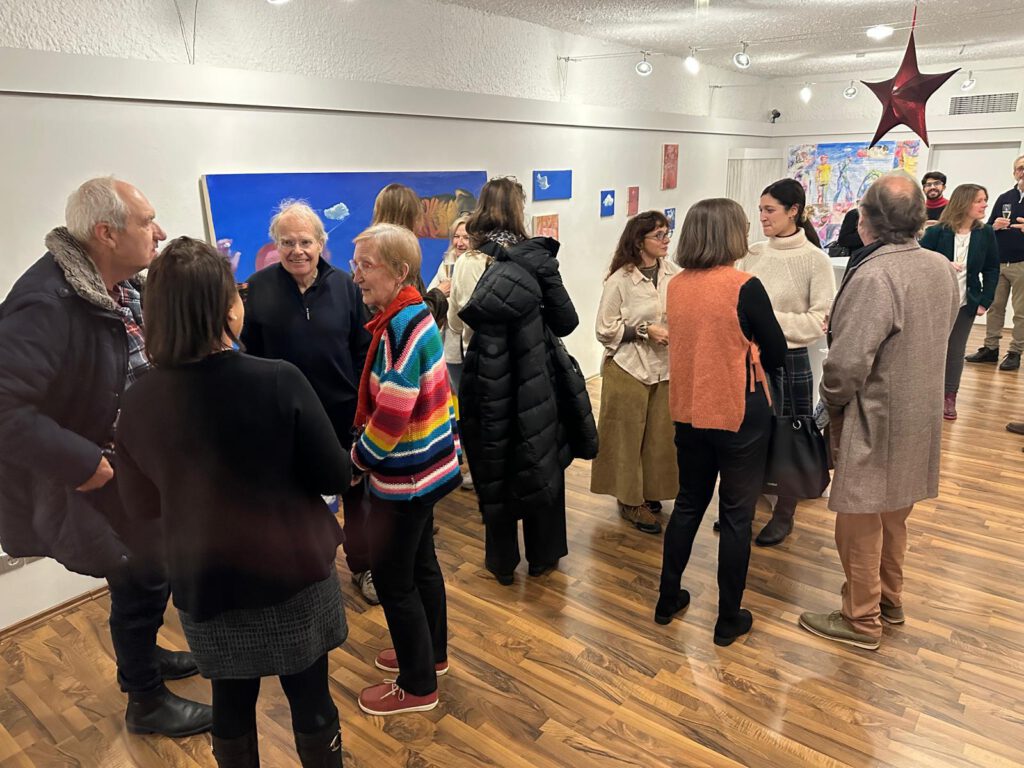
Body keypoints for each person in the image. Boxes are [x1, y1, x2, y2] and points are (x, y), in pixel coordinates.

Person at [116, 237, 349, 766]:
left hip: (206, 580)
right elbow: (334, 473)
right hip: (293, 572)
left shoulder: (138, 400)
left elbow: (140, 506)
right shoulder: (278, 380)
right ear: (226, 307)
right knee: (311, 700)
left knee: (230, 703)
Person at [0, 177, 211, 737]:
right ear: (105, 233)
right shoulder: (46, 303)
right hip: (107, 475)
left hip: (142, 468)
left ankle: (144, 659)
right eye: (147, 222)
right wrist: (83, 462)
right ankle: (146, 701)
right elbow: (4, 410)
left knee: (148, 577)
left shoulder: (120, 288)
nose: (159, 232)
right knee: (142, 580)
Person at [799, 172, 959, 651]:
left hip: (875, 417)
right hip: (919, 411)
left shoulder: (874, 275)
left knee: (858, 519)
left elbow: (847, 363)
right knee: (893, 515)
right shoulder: (938, 266)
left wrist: (829, 401)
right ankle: (889, 600)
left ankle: (861, 618)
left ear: (865, 220)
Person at [655, 198, 786, 646]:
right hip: (738, 412)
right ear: (730, 234)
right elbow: (777, 352)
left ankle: (667, 599)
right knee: (736, 516)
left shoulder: (676, 286)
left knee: (689, 504)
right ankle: (727, 618)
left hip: (689, 410)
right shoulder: (744, 286)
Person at [348, 224, 461, 716]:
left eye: (365, 266)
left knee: (394, 580)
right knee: (421, 566)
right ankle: (430, 655)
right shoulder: (414, 314)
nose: (356, 276)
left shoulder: (399, 327)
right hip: (429, 471)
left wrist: (358, 460)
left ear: (399, 271)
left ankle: (417, 686)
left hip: (406, 478)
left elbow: (393, 413)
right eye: (355, 264)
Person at [240, 201, 374, 607]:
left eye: (304, 242)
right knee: (296, 498)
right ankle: (309, 572)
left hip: (343, 415)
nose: (296, 250)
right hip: (286, 420)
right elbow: (250, 357)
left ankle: (364, 567)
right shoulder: (257, 289)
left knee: (357, 498)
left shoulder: (346, 287)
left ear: (320, 243)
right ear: (275, 245)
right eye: (286, 243)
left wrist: (363, 408)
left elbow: (363, 351)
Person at [457, 176, 588, 585]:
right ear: (518, 210)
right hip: (534, 372)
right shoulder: (536, 259)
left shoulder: (467, 260)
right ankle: (543, 554)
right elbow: (566, 322)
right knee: (540, 453)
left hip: (486, 372)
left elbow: (459, 324)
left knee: (494, 460)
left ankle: (500, 562)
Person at [737, 178, 836, 546]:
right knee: (748, 437)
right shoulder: (752, 254)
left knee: (789, 438)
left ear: (794, 211)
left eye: (770, 210)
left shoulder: (815, 259)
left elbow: (818, 321)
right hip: (748, 358)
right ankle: (743, 508)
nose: (762, 217)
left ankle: (784, 514)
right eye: (760, 209)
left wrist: (763, 319)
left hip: (790, 360)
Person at [591, 211, 680, 535]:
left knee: (659, 436)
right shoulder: (620, 280)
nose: (665, 240)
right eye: (659, 235)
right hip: (628, 368)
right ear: (639, 241)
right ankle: (630, 500)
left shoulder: (674, 274)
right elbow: (604, 329)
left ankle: (650, 492)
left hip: (663, 369)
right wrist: (644, 330)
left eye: (667, 233)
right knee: (626, 438)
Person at [919, 184, 1000, 420]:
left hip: (966, 302)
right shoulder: (937, 232)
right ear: (964, 203)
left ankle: (949, 396)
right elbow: (919, 261)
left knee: (955, 351)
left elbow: (992, 268)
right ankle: (925, 395)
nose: (985, 204)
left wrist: (985, 300)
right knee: (929, 349)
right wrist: (942, 263)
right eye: (979, 200)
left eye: (985, 199)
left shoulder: (985, 233)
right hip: (935, 303)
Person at [966, 154, 1024, 371]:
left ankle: (1015, 352)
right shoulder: (1004, 198)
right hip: (999, 263)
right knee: (994, 307)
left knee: (1021, 311)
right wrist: (995, 226)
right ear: (1014, 172)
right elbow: (987, 227)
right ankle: (990, 348)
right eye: (1020, 168)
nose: (1023, 172)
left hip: (1022, 264)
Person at [431, 215, 475, 489]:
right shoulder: (446, 264)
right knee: (464, 410)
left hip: (470, 347)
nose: (460, 242)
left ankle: (481, 470)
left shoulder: (478, 266)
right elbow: (432, 294)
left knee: (475, 409)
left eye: (466, 237)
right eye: (456, 236)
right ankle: (470, 465)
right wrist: (441, 293)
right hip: (450, 350)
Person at [371, 183, 449, 325]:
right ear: (409, 218)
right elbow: (408, 320)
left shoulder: (372, 253)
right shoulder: (395, 260)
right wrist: (439, 295)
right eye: (419, 216)